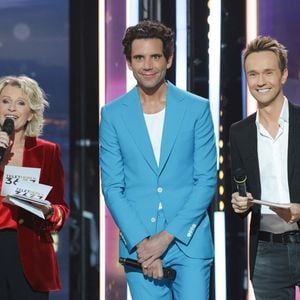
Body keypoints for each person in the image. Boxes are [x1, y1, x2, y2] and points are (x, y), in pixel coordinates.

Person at [100, 20, 217, 299]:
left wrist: (163, 240)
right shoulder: (113, 115)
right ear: (129, 62)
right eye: (139, 58)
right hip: (138, 245)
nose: (148, 65)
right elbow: (113, 187)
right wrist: (144, 244)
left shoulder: (197, 109)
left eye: (155, 56)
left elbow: (206, 181)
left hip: (188, 240)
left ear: (169, 59)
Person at [230, 36, 300, 299]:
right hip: (266, 249)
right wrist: (239, 203)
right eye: (253, 74)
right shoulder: (240, 132)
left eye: (268, 72)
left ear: (283, 75)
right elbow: (237, 189)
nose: (260, 82)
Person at [0, 75, 69, 300]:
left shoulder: (47, 152)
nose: (11, 108)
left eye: (20, 103)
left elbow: (61, 208)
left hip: (29, 253)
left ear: (31, 113)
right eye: (5, 101)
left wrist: (49, 211)